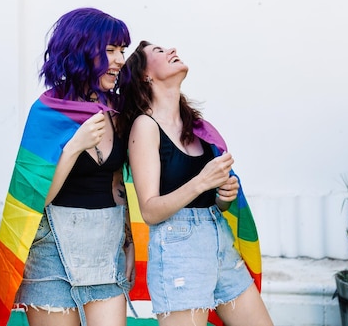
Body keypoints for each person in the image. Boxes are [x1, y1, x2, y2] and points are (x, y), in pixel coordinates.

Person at [0, 8, 136, 326]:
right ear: (79, 50)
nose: (120, 59)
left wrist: (129, 243)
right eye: (110, 50)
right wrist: (74, 147)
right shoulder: (47, 111)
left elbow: (121, 184)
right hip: (50, 250)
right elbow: (35, 198)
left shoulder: (122, 110)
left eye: (122, 50)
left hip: (104, 246)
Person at [117, 41, 273, 326]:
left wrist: (224, 195)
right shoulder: (145, 127)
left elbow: (211, 200)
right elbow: (150, 211)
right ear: (144, 76)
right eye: (160, 52)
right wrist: (202, 181)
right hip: (178, 250)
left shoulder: (198, 127)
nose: (172, 50)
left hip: (219, 242)